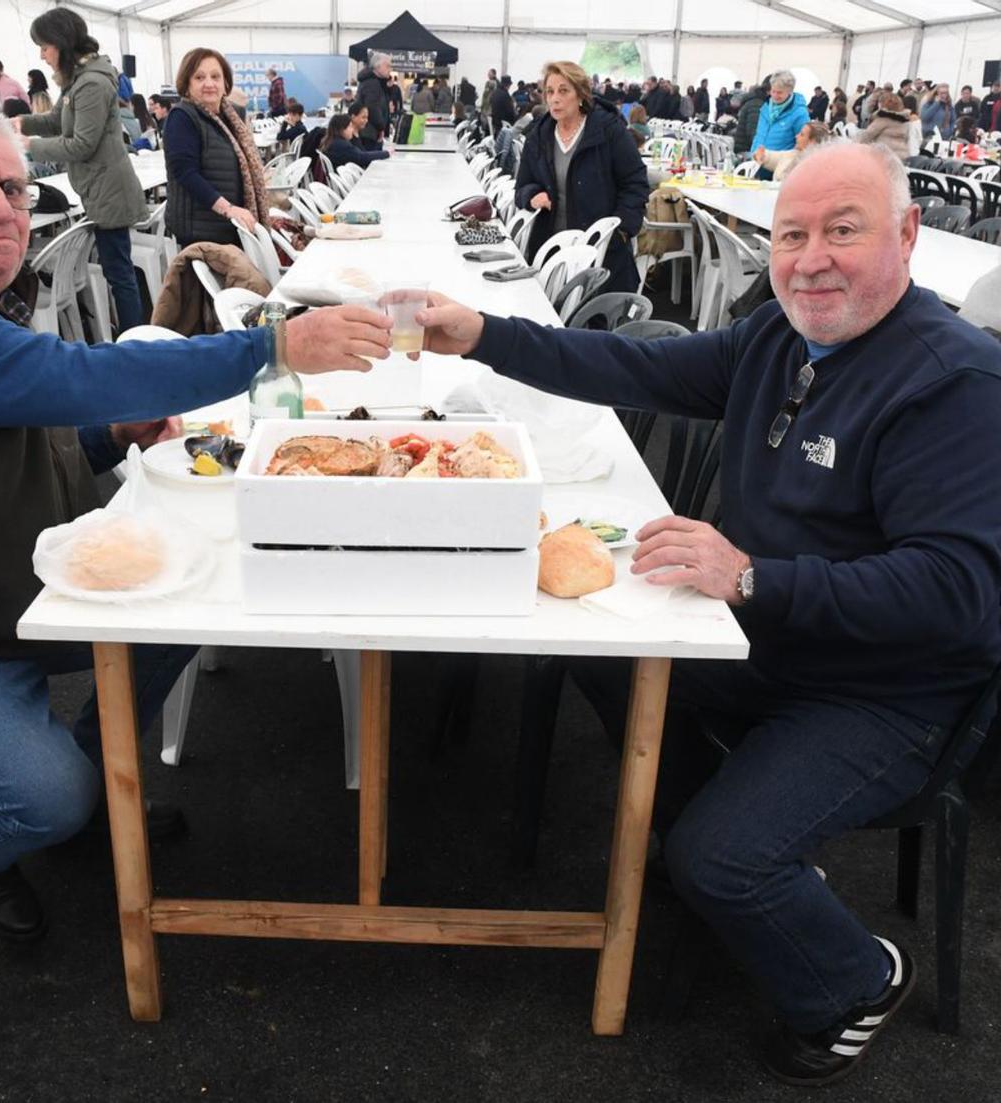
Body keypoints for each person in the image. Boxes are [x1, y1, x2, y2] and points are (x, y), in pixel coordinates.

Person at [412, 139, 1001, 1088]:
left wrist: (754, 577)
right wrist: (483, 332)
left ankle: (853, 979)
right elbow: (627, 367)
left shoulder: (956, 383)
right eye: (792, 234)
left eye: (842, 231)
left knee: (722, 861)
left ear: (908, 234)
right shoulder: (779, 338)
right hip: (764, 642)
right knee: (595, 648)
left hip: (886, 693)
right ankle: (721, 846)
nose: (811, 258)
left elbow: (960, 601)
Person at [0, 102, 393, 941]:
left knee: (181, 604)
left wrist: (106, 434)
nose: (3, 208)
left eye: (14, 188)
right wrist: (273, 346)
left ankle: (91, 775)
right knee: (47, 798)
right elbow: (76, 374)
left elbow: (16, 436)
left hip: (0, 589)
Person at [16, 8, 146, 333]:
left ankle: (135, 341)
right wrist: (20, 123)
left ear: (61, 43)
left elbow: (81, 145)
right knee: (119, 270)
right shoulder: (77, 82)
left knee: (119, 274)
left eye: (44, 46)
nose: (42, 55)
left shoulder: (91, 84)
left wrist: (29, 145)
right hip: (98, 189)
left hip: (109, 192)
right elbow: (55, 121)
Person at [515, 61, 649, 291]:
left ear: (581, 95)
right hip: (550, 252)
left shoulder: (609, 131)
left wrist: (621, 231)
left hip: (602, 253)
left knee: (595, 321)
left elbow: (635, 182)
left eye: (563, 91)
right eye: (549, 92)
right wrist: (531, 195)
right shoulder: (539, 136)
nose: (554, 98)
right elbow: (521, 186)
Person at [162, 46, 268, 249]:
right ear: (187, 84)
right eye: (199, 77)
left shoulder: (231, 116)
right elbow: (186, 174)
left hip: (231, 228)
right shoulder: (182, 116)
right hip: (201, 234)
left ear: (225, 82)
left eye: (215, 76)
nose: (209, 83)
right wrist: (228, 209)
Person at [750, 70, 809, 176]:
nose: (775, 95)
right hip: (757, 163)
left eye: (780, 92)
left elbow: (803, 143)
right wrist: (753, 152)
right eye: (773, 91)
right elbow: (759, 134)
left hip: (778, 168)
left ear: (790, 91)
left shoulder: (799, 113)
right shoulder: (765, 108)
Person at [755, 120, 829, 179]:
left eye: (802, 134)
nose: (796, 136)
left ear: (812, 142)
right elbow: (774, 157)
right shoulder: (794, 154)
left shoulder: (815, 168)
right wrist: (762, 155)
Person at [322, 111, 389, 171]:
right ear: (342, 129)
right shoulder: (342, 146)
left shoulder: (331, 142)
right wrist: (386, 153)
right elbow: (362, 157)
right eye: (350, 127)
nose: (352, 129)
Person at [856, 93, 911, 160]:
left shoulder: (882, 120)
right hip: (902, 157)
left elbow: (866, 136)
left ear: (882, 104)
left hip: (884, 157)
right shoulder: (904, 121)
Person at [354, 51, 391, 149]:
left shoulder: (373, 82)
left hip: (368, 131)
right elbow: (372, 108)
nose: (390, 69)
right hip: (369, 133)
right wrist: (381, 128)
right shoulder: (372, 84)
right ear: (377, 67)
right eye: (387, 66)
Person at [733, 77, 767, 155]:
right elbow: (753, 130)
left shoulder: (751, 102)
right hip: (747, 149)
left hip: (743, 148)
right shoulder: (756, 105)